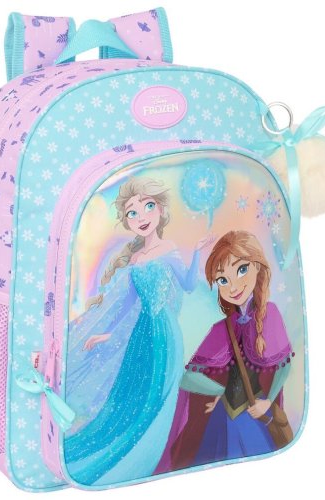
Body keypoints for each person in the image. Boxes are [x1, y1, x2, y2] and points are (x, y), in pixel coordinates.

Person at [63, 176, 213, 486]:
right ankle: (127, 452)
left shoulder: (169, 249)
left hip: (165, 332)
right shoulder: (135, 259)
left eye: (148, 207)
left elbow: (188, 285)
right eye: (132, 213)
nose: (141, 217)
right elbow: (126, 306)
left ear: (161, 210)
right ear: (126, 221)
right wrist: (107, 334)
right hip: (139, 331)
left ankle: (155, 452)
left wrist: (197, 253)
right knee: (132, 391)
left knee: (156, 392)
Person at [155, 230, 293, 472]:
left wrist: (268, 402)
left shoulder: (269, 313)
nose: (233, 286)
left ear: (258, 266)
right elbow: (188, 378)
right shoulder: (222, 328)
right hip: (223, 417)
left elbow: (283, 365)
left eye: (242, 270)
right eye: (222, 280)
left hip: (255, 414)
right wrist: (219, 390)